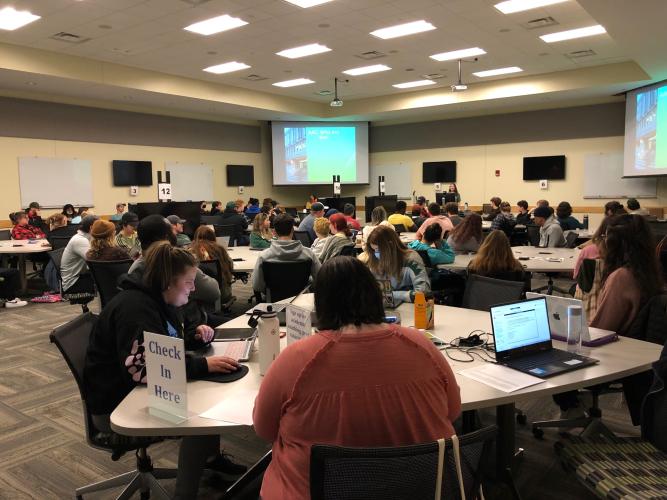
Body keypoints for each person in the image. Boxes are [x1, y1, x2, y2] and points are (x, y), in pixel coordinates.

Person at [253, 256, 461, 500]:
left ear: (322, 303)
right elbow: (453, 411)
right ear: (374, 293)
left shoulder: (296, 359)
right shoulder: (422, 345)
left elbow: (265, 429)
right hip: (422, 489)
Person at [84, 241, 243, 499]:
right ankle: (184, 494)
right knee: (201, 415)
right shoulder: (135, 309)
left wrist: (194, 336)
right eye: (189, 282)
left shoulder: (158, 300)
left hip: (130, 389)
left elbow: (163, 344)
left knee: (209, 395)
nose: (193, 289)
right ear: (169, 281)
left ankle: (209, 458)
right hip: (118, 404)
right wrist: (202, 365)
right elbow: (143, 369)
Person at [554, 215, 664, 419]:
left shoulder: (621, 277)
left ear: (614, 243)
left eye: (604, 236)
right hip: (638, 354)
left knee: (551, 355)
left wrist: (568, 327)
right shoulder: (650, 272)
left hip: (611, 355)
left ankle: (572, 405)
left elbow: (599, 329)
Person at [129, 215, 221, 313]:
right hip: (185, 321)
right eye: (172, 231)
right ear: (166, 237)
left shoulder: (134, 268)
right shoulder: (175, 262)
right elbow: (213, 291)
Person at [252, 213, 321, 296]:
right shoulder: (309, 254)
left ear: (274, 232)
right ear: (293, 230)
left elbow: (257, 286)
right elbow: (320, 278)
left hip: (274, 301)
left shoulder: (263, 256)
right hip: (301, 299)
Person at [364, 225, 431, 303]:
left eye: (378, 249)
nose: (376, 254)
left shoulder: (411, 260)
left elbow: (424, 293)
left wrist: (392, 295)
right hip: (384, 307)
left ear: (391, 245)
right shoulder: (374, 260)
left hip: (410, 307)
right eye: (374, 250)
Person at [190, 225, 234, 304]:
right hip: (221, 293)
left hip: (195, 295)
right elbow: (231, 266)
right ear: (213, 236)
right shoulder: (220, 249)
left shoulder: (189, 251)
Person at [61, 215, 99, 293]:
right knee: (109, 282)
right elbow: (94, 261)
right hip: (73, 283)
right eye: (100, 226)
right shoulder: (80, 240)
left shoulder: (87, 237)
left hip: (80, 276)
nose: (101, 229)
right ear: (91, 228)